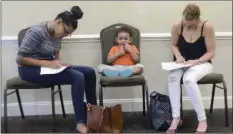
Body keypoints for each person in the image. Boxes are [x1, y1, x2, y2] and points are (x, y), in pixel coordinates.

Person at [16, 6, 97, 133]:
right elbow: (20, 59)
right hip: (29, 70)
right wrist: (48, 64)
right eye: (66, 32)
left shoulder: (58, 35)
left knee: (89, 72)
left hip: (47, 68)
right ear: (58, 22)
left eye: (68, 34)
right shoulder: (36, 31)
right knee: (77, 76)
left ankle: (94, 115)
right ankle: (80, 123)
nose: (66, 36)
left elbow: (54, 55)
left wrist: (60, 64)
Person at [166, 3, 215, 134]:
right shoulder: (177, 26)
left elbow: (211, 52)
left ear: (198, 20)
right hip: (183, 62)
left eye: (191, 25)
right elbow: (173, 45)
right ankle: (176, 118)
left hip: (202, 63)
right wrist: (178, 55)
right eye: (185, 24)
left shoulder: (207, 27)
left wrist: (197, 61)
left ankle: (202, 120)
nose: (187, 27)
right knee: (172, 77)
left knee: (188, 79)